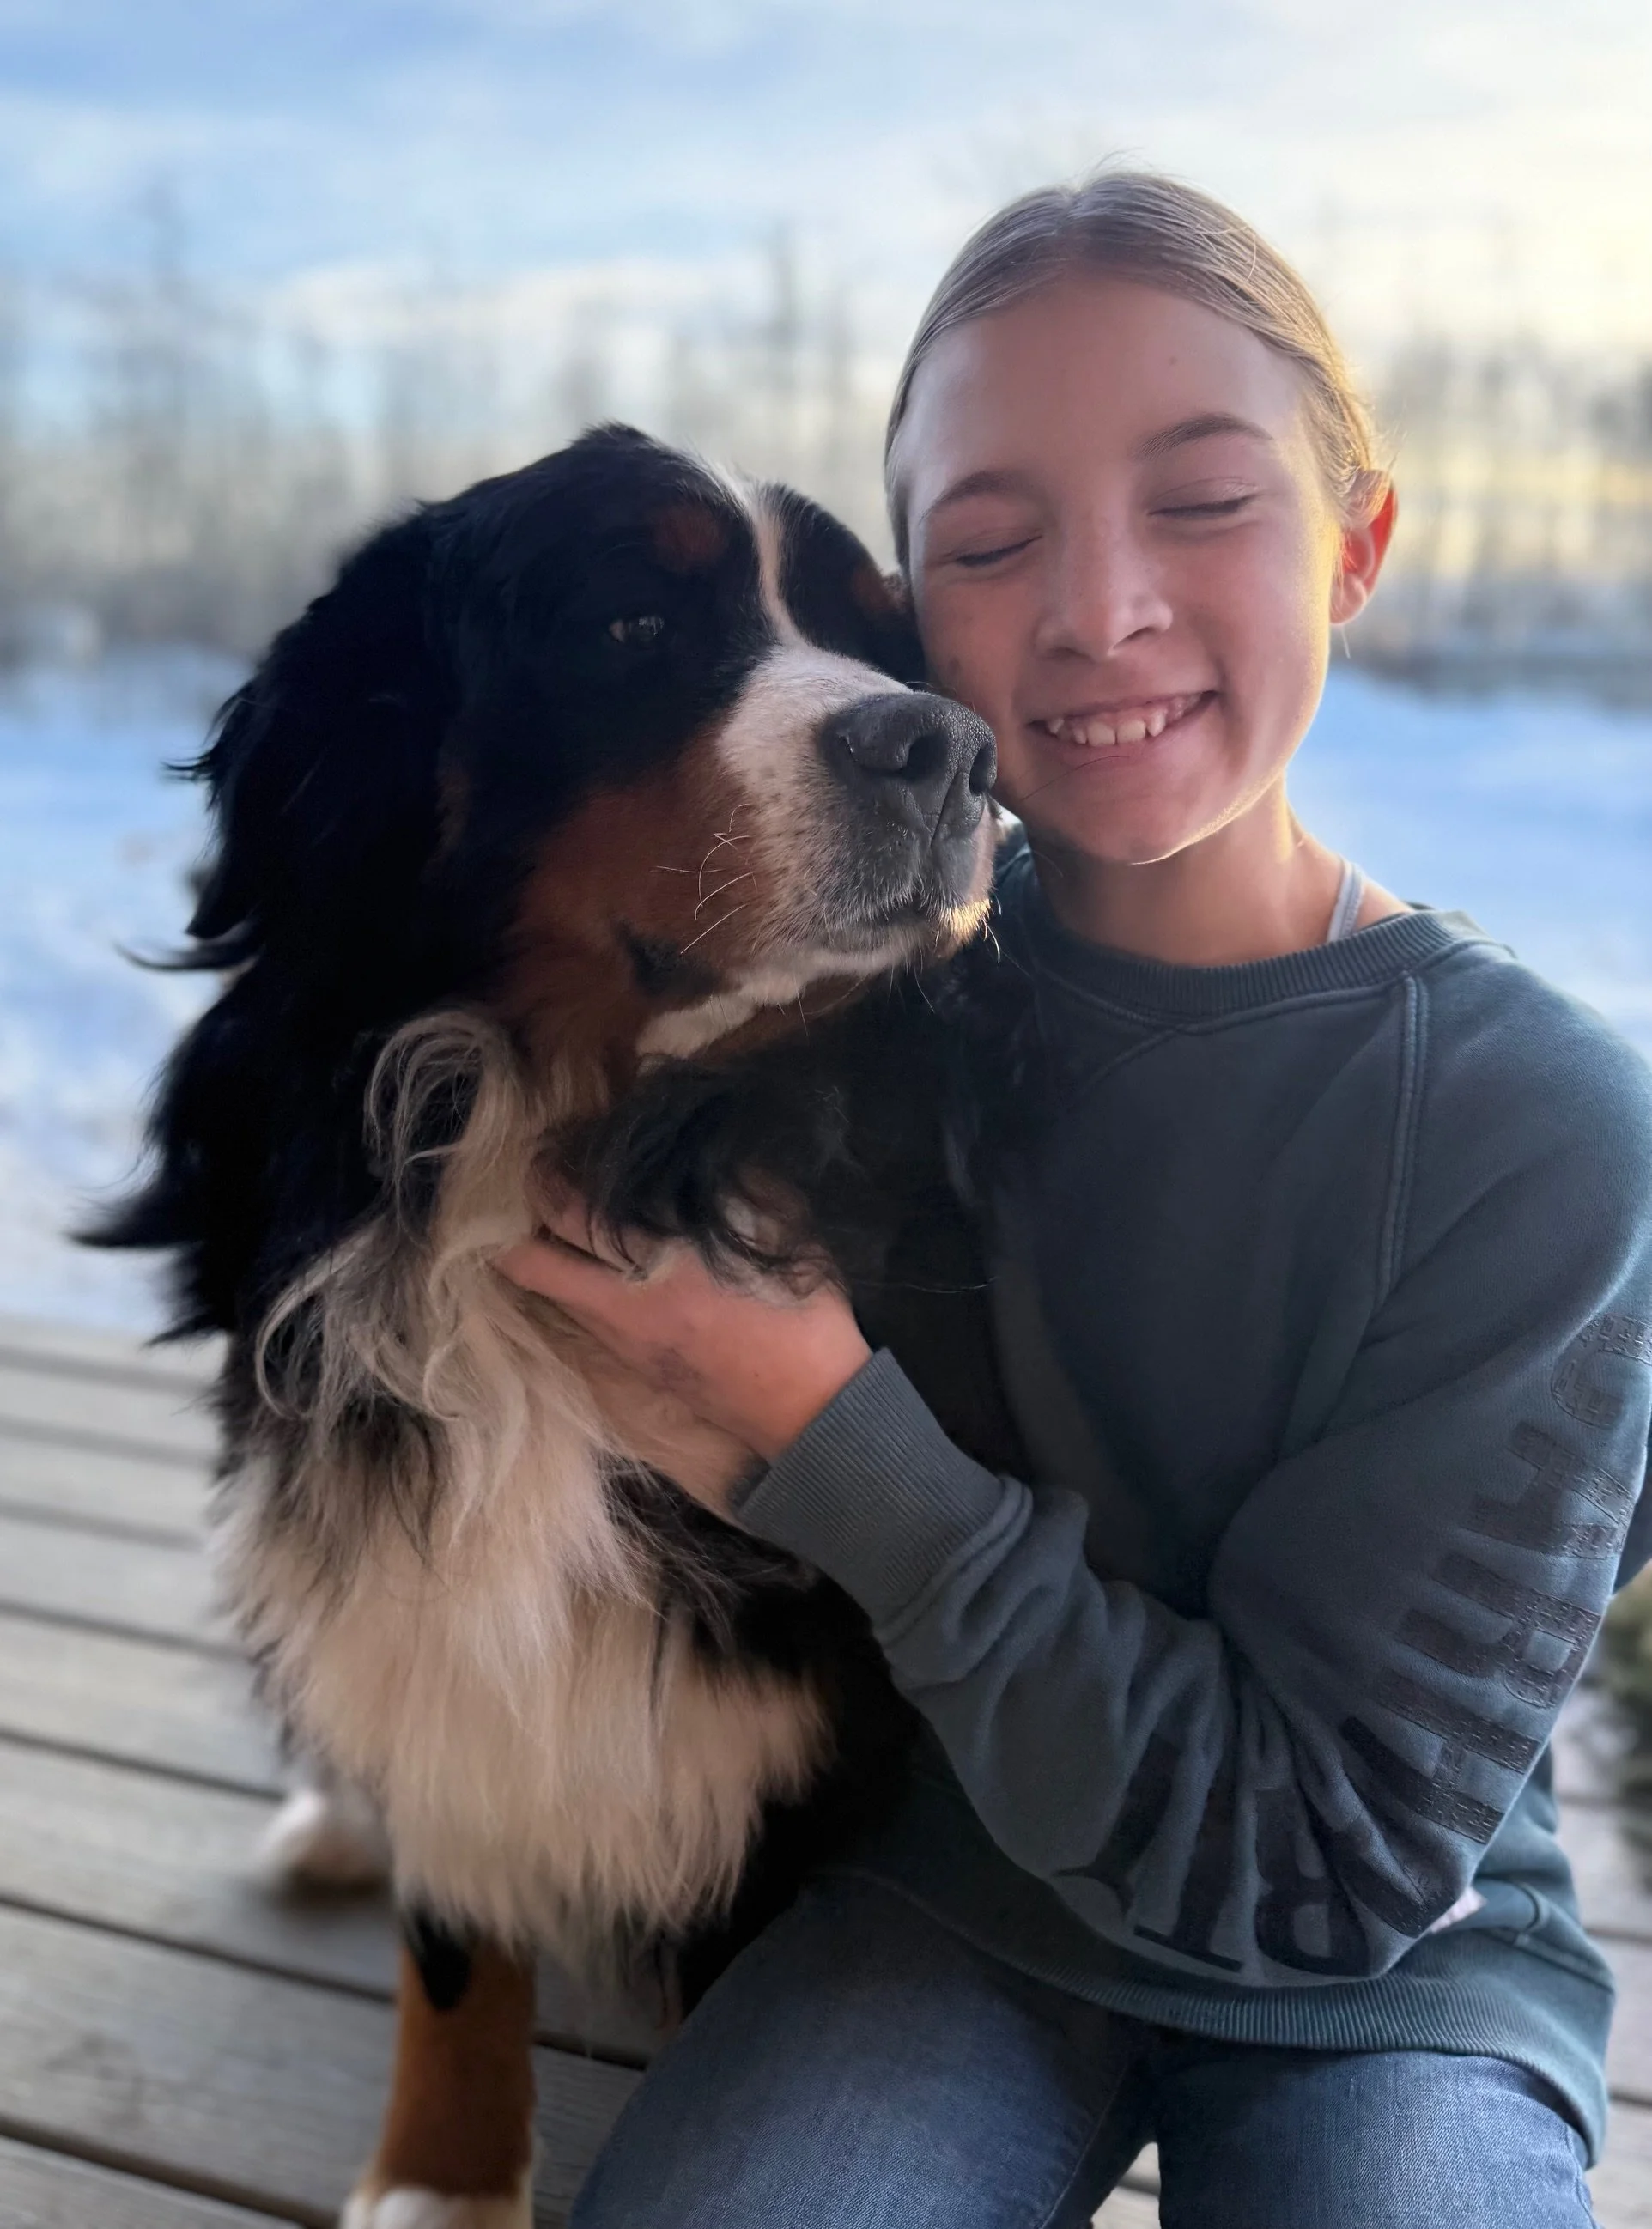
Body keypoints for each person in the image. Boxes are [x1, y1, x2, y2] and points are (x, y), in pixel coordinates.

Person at [499, 173, 1652, 2228]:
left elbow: (1322, 1864)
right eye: (989, 538)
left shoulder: (1535, 1128)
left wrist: (820, 1428)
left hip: (1385, 1966)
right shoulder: (842, 1006)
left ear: (1357, 541)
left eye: (1202, 500)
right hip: (946, 1897)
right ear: (902, 619)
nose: (1094, 605)